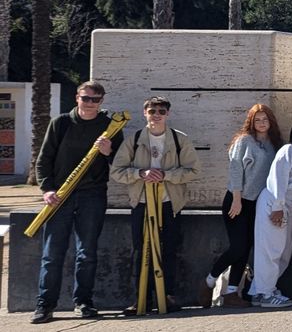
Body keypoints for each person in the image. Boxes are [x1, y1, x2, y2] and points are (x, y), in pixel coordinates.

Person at [30, 81, 124, 324]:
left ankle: (83, 303)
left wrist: (108, 152)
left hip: (92, 195)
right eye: (86, 98)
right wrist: (47, 189)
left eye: (95, 99)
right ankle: (45, 305)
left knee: (87, 253)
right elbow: (43, 160)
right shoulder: (60, 123)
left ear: (102, 101)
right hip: (60, 195)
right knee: (52, 253)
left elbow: (122, 164)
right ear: (77, 98)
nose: (90, 103)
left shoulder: (110, 126)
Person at [109, 96, 200, 314]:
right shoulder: (135, 139)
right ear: (145, 113)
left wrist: (166, 175)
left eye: (161, 111)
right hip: (141, 202)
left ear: (167, 114)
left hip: (169, 203)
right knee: (142, 251)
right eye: (152, 111)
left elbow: (194, 171)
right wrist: (141, 173)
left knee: (168, 250)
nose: (156, 115)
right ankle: (142, 298)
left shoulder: (180, 140)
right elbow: (117, 172)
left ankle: (167, 296)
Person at [206, 104, 282, 308]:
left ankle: (231, 292)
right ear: (251, 122)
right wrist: (237, 199)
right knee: (237, 246)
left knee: (246, 248)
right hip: (237, 200)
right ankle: (209, 281)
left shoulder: (274, 144)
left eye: (265, 119)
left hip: (256, 204)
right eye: (257, 120)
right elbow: (235, 170)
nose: (261, 123)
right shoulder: (244, 141)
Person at [250, 120, 292, 308]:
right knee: (271, 250)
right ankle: (265, 295)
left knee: (284, 252)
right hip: (275, 203)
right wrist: (277, 206)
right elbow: (277, 178)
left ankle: (260, 290)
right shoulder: (288, 151)